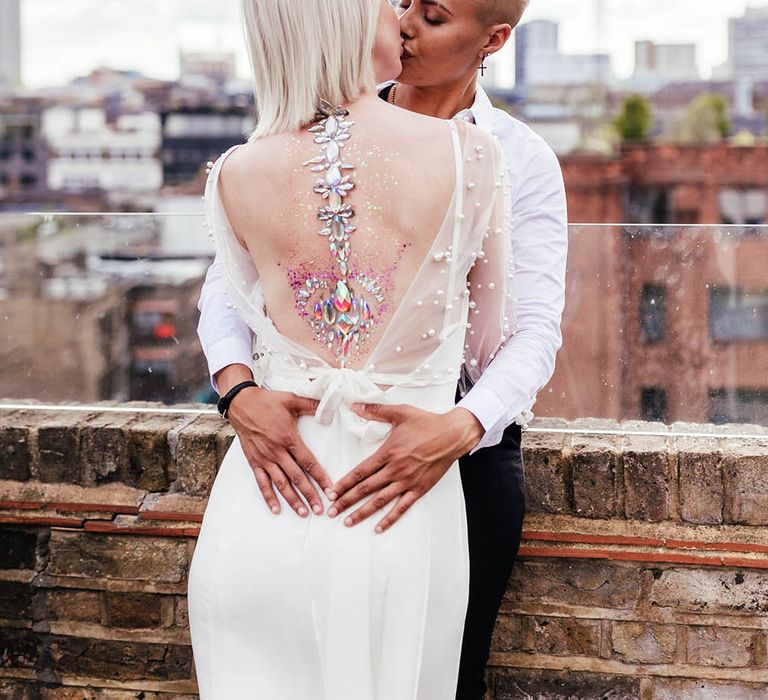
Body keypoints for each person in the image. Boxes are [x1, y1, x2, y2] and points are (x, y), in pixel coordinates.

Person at [197, 1, 568, 697]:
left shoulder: (517, 155)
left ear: (493, 39)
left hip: (460, 450)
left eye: (431, 15)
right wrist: (238, 390)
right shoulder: (284, 139)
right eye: (398, 4)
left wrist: (459, 425)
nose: (403, 24)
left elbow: (534, 328)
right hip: (289, 457)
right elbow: (225, 296)